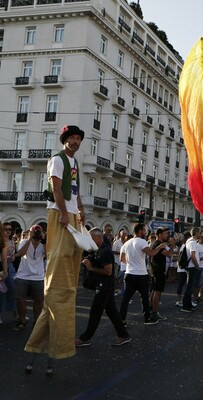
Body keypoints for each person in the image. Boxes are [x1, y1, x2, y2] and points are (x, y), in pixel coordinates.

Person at [25, 125, 85, 375]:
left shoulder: (75, 163)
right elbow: (57, 188)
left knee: (71, 263)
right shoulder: (57, 160)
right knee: (59, 267)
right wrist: (63, 213)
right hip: (60, 214)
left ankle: (44, 346)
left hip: (71, 215)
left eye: (78, 139)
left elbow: (75, 191)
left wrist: (80, 210)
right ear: (64, 140)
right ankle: (44, 348)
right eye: (71, 138)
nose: (75, 141)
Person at [75, 228, 130, 347]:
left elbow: (108, 271)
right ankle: (123, 334)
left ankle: (85, 338)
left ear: (99, 237)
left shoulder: (105, 251)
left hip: (104, 286)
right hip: (104, 286)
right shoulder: (97, 250)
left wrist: (91, 267)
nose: (90, 240)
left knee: (95, 312)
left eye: (92, 238)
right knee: (112, 312)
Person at [119, 223, 167, 325]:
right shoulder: (142, 242)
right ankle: (147, 319)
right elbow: (151, 253)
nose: (145, 232)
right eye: (144, 230)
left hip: (129, 273)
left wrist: (131, 262)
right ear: (140, 231)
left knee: (126, 299)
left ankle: (122, 320)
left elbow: (122, 259)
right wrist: (160, 247)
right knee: (144, 298)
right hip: (140, 274)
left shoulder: (126, 243)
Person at [13, 225, 46, 331]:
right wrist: (29, 239)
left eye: (38, 232)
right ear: (30, 232)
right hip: (23, 275)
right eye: (34, 231)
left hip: (38, 277)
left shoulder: (44, 244)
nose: (36, 233)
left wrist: (44, 240)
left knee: (39, 300)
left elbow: (48, 254)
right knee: (21, 300)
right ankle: (22, 321)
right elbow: (21, 254)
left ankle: (37, 322)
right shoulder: (24, 242)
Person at [149, 227, 173, 321]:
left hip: (155, 270)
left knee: (154, 291)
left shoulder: (158, 243)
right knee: (157, 292)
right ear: (160, 234)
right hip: (158, 270)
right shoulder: (158, 244)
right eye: (166, 233)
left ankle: (151, 309)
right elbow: (169, 254)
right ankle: (154, 313)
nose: (167, 235)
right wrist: (172, 245)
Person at [181, 228, 201, 313]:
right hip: (191, 267)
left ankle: (188, 305)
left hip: (190, 267)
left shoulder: (190, 241)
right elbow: (193, 255)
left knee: (190, 287)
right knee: (189, 287)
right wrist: (197, 265)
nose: (200, 234)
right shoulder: (192, 243)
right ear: (196, 233)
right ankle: (185, 306)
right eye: (199, 233)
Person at [0, 221, 16, 324]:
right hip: (4, 266)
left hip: (8, 267)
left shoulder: (8, 241)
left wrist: (5, 271)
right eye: (6, 229)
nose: (8, 231)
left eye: (10, 229)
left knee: (12, 289)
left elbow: (4, 258)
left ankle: (16, 313)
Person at [112, 229, 128, 296]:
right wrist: (121, 253)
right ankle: (116, 289)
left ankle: (121, 290)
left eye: (125, 234)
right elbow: (113, 251)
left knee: (123, 278)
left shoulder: (127, 242)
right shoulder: (116, 242)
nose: (124, 235)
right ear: (120, 235)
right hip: (117, 262)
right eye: (123, 234)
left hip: (125, 263)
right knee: (116, 277)